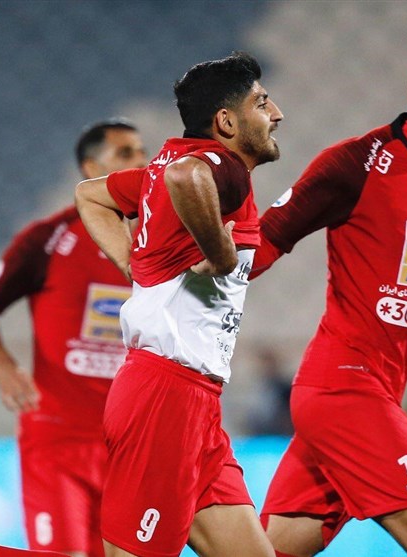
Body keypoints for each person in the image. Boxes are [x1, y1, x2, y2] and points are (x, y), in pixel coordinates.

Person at [252, 36, 407, 557]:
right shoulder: (357, 162)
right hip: (344, 386)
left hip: (381, 389)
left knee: (273, 551)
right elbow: (266, 240)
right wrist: (188, 277)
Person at [74, 52, 283, 557]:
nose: (276, 113)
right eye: (261, 103)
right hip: (165, 397)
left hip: (195, 401)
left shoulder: (160, 168)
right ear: (226, 122)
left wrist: (133, 266)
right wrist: (220, 253)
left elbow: (89, 196)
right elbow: (187, 177)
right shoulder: (219, 166)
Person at [0, 119, 148, 557]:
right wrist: (4, 367)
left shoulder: (158, 240)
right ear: (91, 169)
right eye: (126, 154)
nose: (142, 162)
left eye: (143, 152)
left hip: (132, 444)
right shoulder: (49, 238)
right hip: (59, 441)